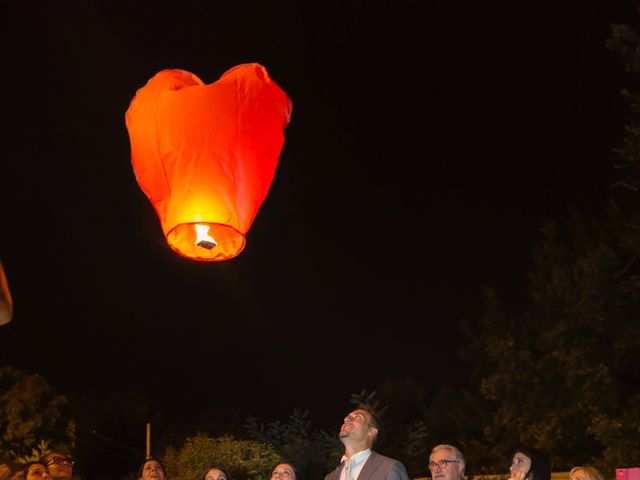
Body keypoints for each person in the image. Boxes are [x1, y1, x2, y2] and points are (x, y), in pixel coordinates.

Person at [324, 404, 409, 480]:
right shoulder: (330, 477)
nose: (347, 419)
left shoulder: (389, 468)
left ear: (372, 432)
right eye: (346, 418)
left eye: (357, 417)